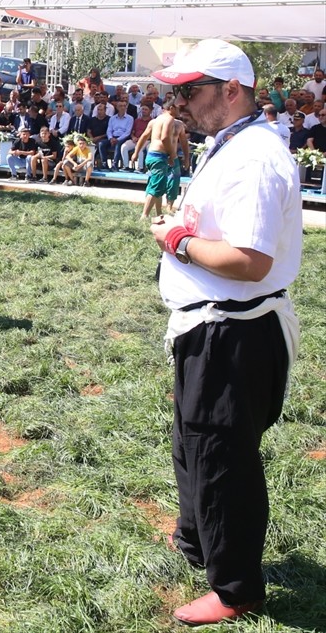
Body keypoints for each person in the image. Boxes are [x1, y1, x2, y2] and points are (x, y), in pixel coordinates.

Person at [148, 39, 303, 626]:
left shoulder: (254, 156)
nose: (177, 102)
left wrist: (178, 241)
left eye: (188, 91)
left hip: (232, 333)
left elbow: (248, 260)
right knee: (193, 442)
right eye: (175, 91)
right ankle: (197, 539)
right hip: (213, 327)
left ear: (230, 91)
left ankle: (236, 587)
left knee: (222, 458)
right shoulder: (232, 143)